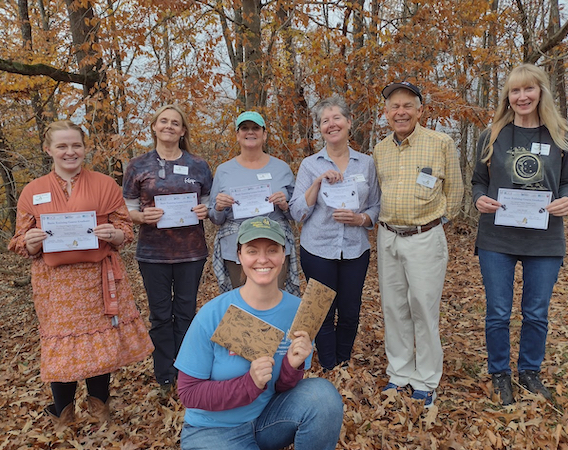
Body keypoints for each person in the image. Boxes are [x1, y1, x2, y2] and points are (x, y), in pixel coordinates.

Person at [8, 120, 153, 429]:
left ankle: (100, 411)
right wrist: (30, 243)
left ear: (85, 149)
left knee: (97, 347)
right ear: (48, 150)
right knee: (62, 351)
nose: (70, 152)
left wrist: (114, 234)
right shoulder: (33, 191)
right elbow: (18, 241)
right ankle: (64, 415)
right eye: (62, 146)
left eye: (76, 145)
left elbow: (126, 229)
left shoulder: (104, 184)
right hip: (55, 285)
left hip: (97, 279)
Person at [175, 216, 344, 450]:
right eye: (252, 251)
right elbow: (188, 393)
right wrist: (249, 383)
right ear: (240, 256)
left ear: (284, 255)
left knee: (323, 396)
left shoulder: (300, 311)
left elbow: (282, 389)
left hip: (267, 421)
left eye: (272, 250)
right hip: (213, 431)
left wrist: (291, 367)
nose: (263, 259)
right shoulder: (214, 313)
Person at [472, 64, 568, 405]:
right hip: (497, 238)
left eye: (528, 89)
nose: (522, 97)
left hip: (544, 239)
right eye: (515, 91)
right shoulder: (491, 135)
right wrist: (478, 199)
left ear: (540, 92)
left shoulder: (561, 135)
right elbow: (478, 181)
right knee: (498, 312)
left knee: (536, 312)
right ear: (508, 96)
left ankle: (529, 371)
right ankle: (500, 373)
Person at [373, 81, 463, 408]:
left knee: (423, 309)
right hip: (388, 237)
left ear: (420, 110)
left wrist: (435, 224)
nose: (401, 112)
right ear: (386, 112)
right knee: (394, 308)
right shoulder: (380, 150)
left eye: (407, 105)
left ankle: (426, 379)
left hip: (424, 236)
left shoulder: (440, 143)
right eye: (394, 106)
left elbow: (454, 193)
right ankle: (399, 373)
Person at [122, 105, 213, 391]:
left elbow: (210, 200)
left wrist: (205, 210)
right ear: (154, 127)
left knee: (186, 311)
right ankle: (164, 373)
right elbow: (127, 209)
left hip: (191, 252)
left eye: (175, 123)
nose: (169, 126)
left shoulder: (198, 165)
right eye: (164, 121)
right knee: (160, 314)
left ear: (183, 131)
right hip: (153, 254)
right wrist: (140, 217)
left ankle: (186, 370)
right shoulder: (138, 165)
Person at [289, 94, 380, 371]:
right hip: (318, 249)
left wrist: (361, 218)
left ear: (349, 122)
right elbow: (296, 212)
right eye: (325, 121)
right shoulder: (310, 164)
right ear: (320, 129)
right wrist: (316, 184)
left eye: (336, 118)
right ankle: (329, 366)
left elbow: (376, 205)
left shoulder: (366, 163)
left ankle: (344, 362)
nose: (331, 124)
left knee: (350, 311)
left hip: (355, 249)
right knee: (323, 312)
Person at [208, 111, 299, 296]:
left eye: (256, 128)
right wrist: (219, 207)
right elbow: (215, 218)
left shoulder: (281, 168)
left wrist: (285, 204)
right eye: (244, 128)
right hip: (236, 248)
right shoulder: (224, 170)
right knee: (240, 302)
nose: (250, 132)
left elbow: (295, 213)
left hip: (274, 245)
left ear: (264, 134)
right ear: (237, 135)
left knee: (274, 299)